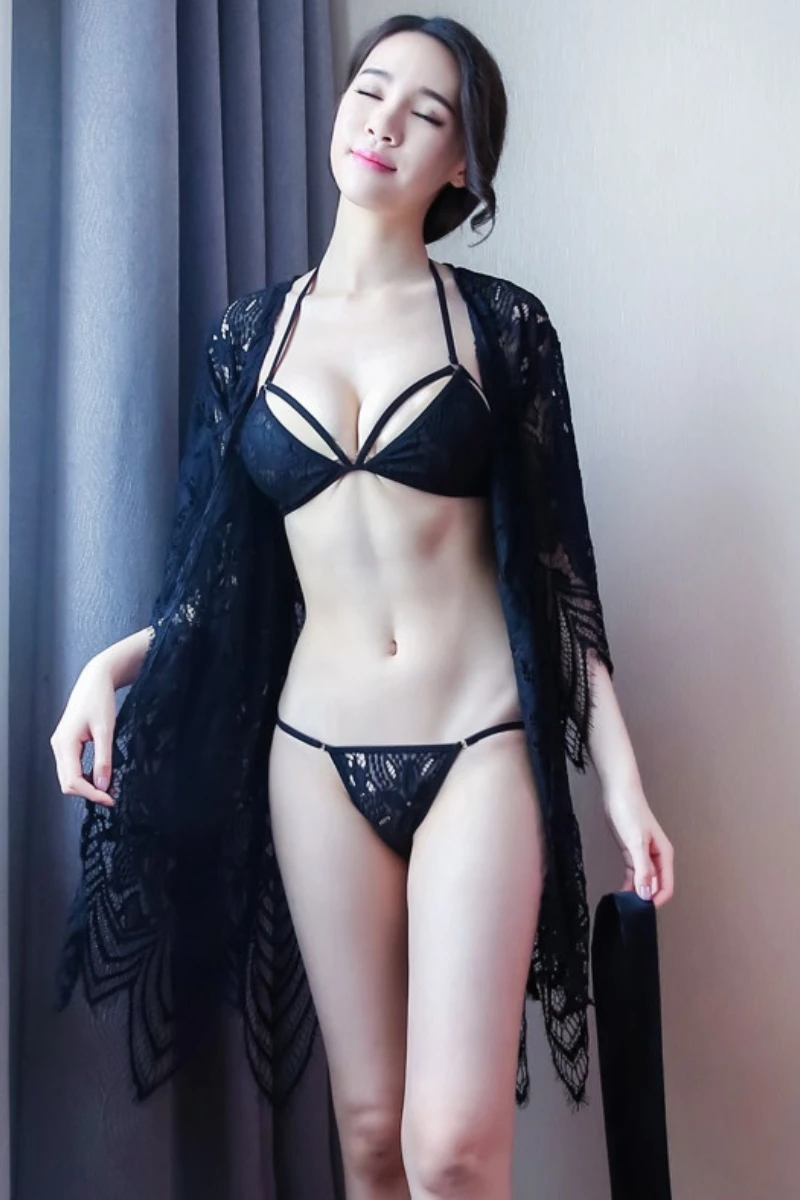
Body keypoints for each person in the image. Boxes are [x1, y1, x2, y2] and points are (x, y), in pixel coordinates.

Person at [50, 13, 674, 1198]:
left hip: (477, 743)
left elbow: (557, 577)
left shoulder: (501, 327)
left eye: (424, 112)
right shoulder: (249, 337)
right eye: (369, 90)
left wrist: (623, 787)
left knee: (453, 1146)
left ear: (461, 165)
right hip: (313, 756)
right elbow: (218, 587)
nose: (383, 120)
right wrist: (105, 671)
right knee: (372, 1130)